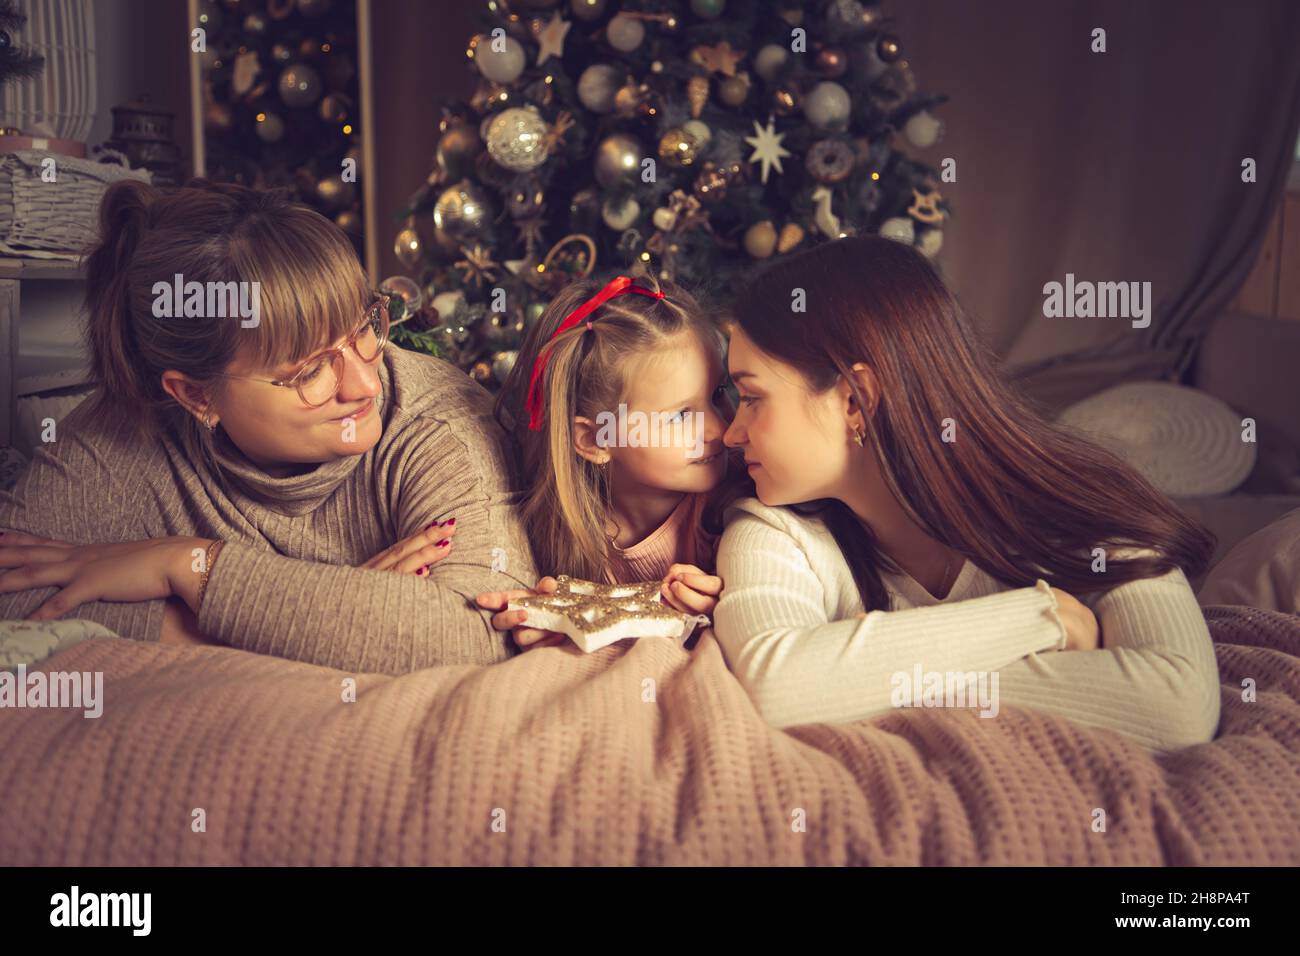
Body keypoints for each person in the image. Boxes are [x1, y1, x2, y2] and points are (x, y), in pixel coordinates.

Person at [0, 179, 537, 673]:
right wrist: (336, 615)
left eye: (364, 329)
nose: (365, 386)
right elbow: (13, 598)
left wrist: (188, 567)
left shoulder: (438, 421)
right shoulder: (122, 432)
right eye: (308, 371)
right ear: (196, 395)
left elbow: (477, 635)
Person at [711, 235, 1221, 754]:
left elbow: (1177, 706)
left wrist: (867, 681)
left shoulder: (1080, 506)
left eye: (752, 398)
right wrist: (1042, 618)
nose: (731, 432)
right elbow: (777, 689)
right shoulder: (772, 528)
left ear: (855, 400)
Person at [475, 273, 731, 650]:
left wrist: (725, 608)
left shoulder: (735, 505)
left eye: (719, 393)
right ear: (596, 439)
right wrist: (558, 624)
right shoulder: (564, 529)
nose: (719, 427)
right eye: (679, 417)